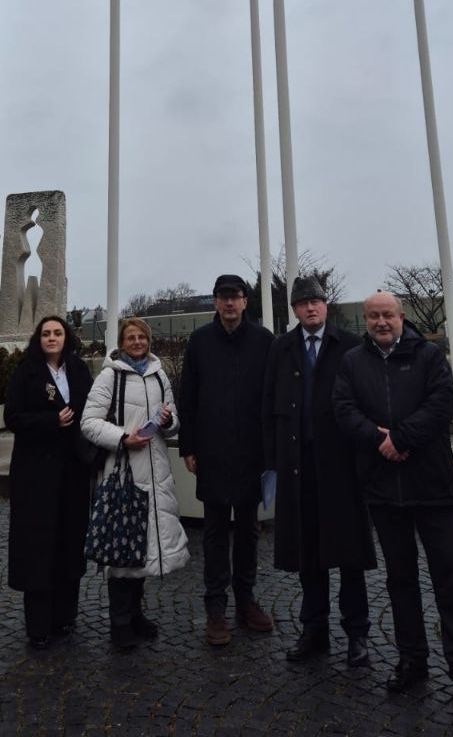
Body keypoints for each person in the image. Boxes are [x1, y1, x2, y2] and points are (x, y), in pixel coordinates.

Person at [332, 291, 453, 714]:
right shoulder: (353, 362)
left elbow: (441, 406)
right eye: (373, 316)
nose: (381, 322)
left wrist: (401, 439)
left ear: (401, 317)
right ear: (365, 320)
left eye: (387, 314)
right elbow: (344, 410)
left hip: (433, 487)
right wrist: (378, 440)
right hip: (384, 491)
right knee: (400, 580)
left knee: (450, 580)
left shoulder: (429, 356)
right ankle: (412, 658)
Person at [262, 275, 376, 666]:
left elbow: (366, 402)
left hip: (342, 468)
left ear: (326, 305)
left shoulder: (351, 345)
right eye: (303, 303)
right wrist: (272, 460)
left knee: (350, 555)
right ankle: (314, 630)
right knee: (308, 553)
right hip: (298, 467)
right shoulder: (281, 348)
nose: (311, 308)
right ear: (294, 309)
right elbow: (268, 405)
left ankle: (357, 633)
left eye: (316, 301)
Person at [80, 316, 190, 650]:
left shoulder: (158, 375)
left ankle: (136, 613)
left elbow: (173, 422)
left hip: (156, 471)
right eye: (131, 337)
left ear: (148, 341)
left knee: (144, 547)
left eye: (142, 336)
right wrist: (122, 437)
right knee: (122, 546)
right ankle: (120, 621)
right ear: (122, 342)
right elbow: (88, 422)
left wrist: (168, 422)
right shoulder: (109, 375)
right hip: (122, 471)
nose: (137, 342)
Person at [178, 273, 275, 646]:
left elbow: (272, 396)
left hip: (252, 451)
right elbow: (188, 396)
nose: (230, 303)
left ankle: (246, 600)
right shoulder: (200, 341)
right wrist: (188, 446)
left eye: (235, 296)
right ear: (216, 302)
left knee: (249, 530)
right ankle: (215, 607)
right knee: (215, 531)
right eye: (223, 297)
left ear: (245, 301)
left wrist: (272, 450)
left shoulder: (264, 341)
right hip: (213, 450)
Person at [3, 315, 94, 649]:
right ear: (38, 339)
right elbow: (12, 417)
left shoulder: (79, 370)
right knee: (38, 546)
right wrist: (50, 421)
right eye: (46, 334)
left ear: (66, 337)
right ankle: (38, 625)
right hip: (36, 473)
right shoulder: (26, 372)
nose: (52, 338)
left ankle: (65, 616)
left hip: (73, 470)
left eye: (57, 333)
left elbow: (93, 410)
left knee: (70, 540)